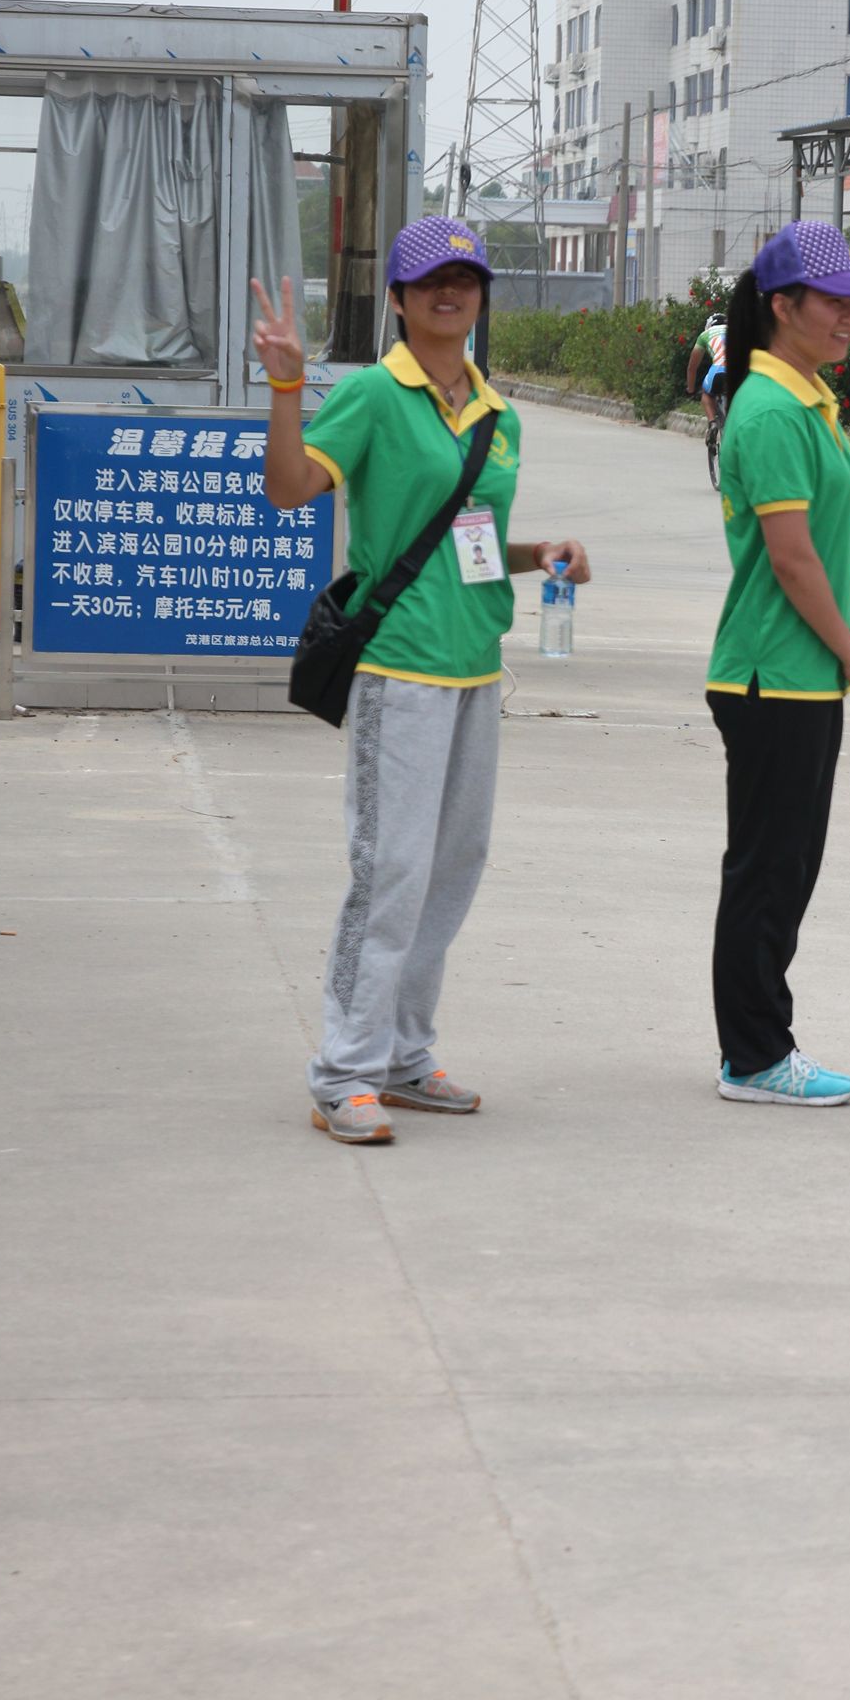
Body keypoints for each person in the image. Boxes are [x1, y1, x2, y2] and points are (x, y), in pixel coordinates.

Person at [253, 216, 590, 1145]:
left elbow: (470, 538)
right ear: (398, 299)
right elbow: (288, 487)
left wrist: (538, 552)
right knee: (390, 870)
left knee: (450, 869)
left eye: (466, 279)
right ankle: (344, 1072)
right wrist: (287, 386)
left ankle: (404, 1055)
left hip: (476, 666)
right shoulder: (374, 393)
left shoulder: (497, 413)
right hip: (398, 668)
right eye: (430, 279)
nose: (450, 291)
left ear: (482, 297)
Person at [705, 221, 850, 1107]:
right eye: (835, 301)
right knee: (768, 872)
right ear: (783, 306)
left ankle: (758, 1048)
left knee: (787, 867)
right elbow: (789, 557)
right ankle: (754, 1055)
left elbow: (823, 545)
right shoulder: (774, 409)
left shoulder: (807, 398)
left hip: (801, 671)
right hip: (770, 672)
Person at [686, 312, 728, 424]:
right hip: (740, 370)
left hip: (719, 369)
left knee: (706, 393)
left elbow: (692, 367)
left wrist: (691, 390)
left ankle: (712, 422)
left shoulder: (705, 335)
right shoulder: (737, 329)